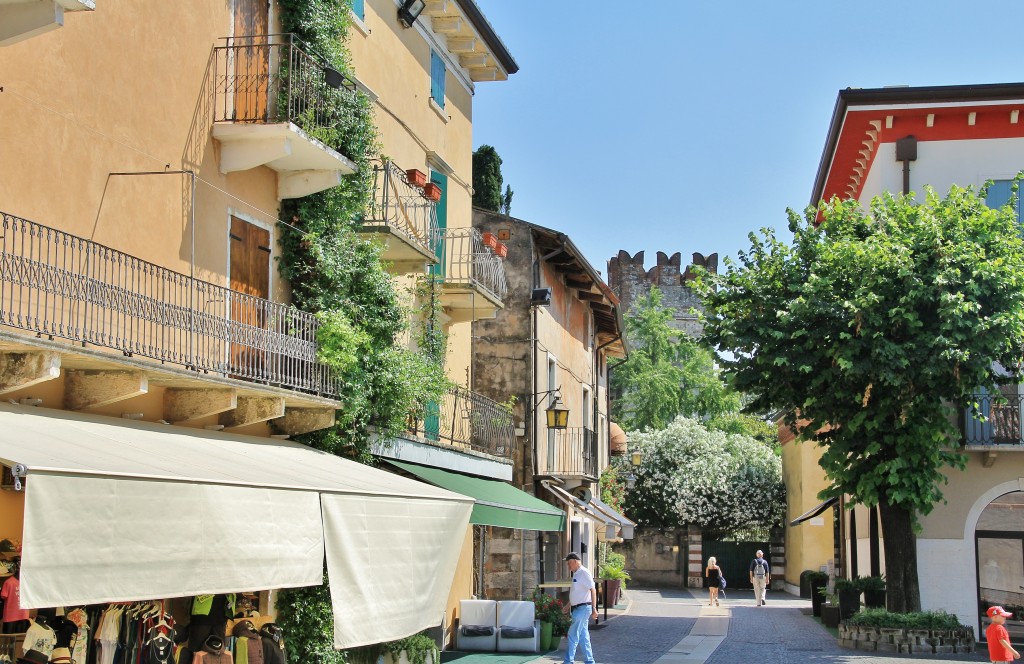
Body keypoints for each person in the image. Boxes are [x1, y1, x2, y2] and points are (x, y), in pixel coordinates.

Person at [562, 552, 597, 664]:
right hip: (578, 608)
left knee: (572, 635)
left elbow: (593, 590)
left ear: (575, 561)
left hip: (583, 608)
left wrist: (594, 608)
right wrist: (568, 606)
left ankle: (568, 661)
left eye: (569, 563)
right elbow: (576, 594)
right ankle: (590, 661)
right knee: (583, 637)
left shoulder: (584, 573)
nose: (568, 566)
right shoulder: (577, 574)